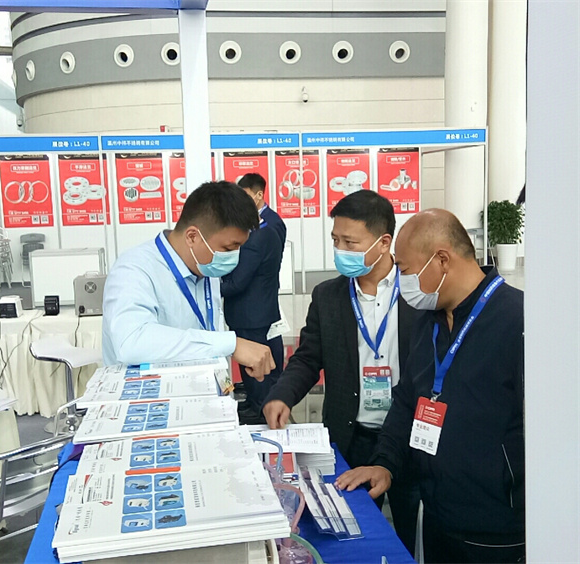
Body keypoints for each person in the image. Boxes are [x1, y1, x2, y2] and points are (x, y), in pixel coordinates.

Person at [336, 209, 524, 564]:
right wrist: (385, 464)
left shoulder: (519, 321)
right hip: (437, 515)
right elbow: (408, 401)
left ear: (441, 260)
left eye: (405, 270)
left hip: (498, 529)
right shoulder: (428, 321)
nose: (401, 280)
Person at [262, 190, 420, 555]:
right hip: (351, 438)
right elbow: (307, 358)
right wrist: (282, 395)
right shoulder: (328, 296)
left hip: (408, 439)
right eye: (336, 240)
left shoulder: (418, 294)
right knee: (352, 539)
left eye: (350, 242)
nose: (340, 250)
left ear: (383, 243)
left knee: (409, 537)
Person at [102, 181, 275, 380]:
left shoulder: (205, 267)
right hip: (148, 393)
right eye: (228, 248)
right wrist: (230, 344)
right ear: (192, 237)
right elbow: (131, 342)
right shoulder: (134, 269)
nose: (234, 256)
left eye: (239, 248)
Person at [220, 194, 284, 423]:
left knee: (254, 364)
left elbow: (237, 283)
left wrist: (212, 288)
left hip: (249, 313)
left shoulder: (254, 240)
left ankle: (259, 408)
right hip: (261, 308)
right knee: (261, 361)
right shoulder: (270, 230)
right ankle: (256, 401)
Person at [238, 173, 287, 249]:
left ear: (259, 195)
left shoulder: (273, 222)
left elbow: (275, 252)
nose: (242, 200)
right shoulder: (241, 218)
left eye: (246, 196)